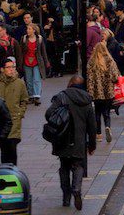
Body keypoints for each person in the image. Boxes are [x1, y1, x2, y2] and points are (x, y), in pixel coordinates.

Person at [46, 75, 96, 211]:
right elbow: (92, 126)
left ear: (70, 83)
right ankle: (77, 189)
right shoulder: (87, 99)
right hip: (79, 141)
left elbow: (48, 113)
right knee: (78, 165)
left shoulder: (62, 96)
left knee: (64, 167)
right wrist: (92, 146)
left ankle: (66, 197)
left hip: (63, 139)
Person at [0, 57, 28, 164]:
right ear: (2, 69)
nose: (11, 69)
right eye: (8, 67)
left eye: (13, 67)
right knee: (3, 150)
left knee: (12, 150)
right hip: (0, 123)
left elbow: (24, 100)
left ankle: (13, 174)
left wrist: (20, 113)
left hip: (14, 120)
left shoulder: (19, 83)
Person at [86, 41, 119, 142]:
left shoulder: (91, 62)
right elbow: (115, 77)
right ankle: (107, 127)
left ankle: (99, 134)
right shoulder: (110, 61)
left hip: (96, 93)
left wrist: (90, 93)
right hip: (108, 92)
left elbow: (89, 80)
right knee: (107, 113)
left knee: (97, 113)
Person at [21, 24, 47, 105]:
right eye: (27, 29)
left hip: (37, 62)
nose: (27, 30)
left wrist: (46, 62)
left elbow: (43, 51)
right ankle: (31, 96)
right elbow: (21, 50)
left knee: (36, 79)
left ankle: (37, 96)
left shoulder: (39, 39)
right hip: (26, 61)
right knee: (28, 80)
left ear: (34, 30)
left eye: (29, 29)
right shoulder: (24, 38)